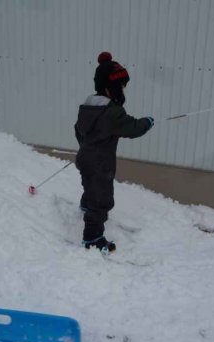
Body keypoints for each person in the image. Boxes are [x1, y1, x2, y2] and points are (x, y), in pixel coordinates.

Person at [74, 52, 154, 252]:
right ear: (109, 88)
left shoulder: (87, 106)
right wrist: (148, 122)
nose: (123, 90)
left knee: (90, 186)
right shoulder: (112, 112)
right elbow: (132, 128)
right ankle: (92, 237)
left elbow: (78, 129)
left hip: (85, 157)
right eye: (121, 86)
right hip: (101, 163)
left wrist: (87, 146)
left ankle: (86, 206)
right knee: (102, 199)